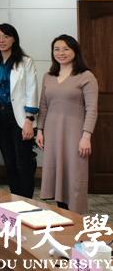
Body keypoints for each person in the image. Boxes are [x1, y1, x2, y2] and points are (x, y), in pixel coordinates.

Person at [37, 35, 98, 214]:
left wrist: (86, 136)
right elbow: (43, 106)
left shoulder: (86, 76)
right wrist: (39, 130)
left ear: (75, 51)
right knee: (57, 175)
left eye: (65, 49)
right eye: (56, 49)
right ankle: (62, 215)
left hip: (75, 134)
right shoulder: (48, 76)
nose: (61, 53)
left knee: (75, 175)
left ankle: (76, 219)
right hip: (52, 133)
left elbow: (92, 109)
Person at [0, 23, 38, 198]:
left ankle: (27, 201)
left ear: (14, 39)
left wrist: (29, 120)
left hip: (20, 117)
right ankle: (16, 198)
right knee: (9, 162)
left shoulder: (26, 62)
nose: (1, 40)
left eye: (6, 36)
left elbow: (32, 90)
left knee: (23, 162)